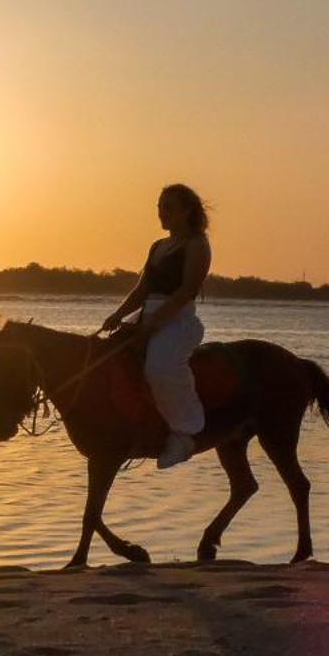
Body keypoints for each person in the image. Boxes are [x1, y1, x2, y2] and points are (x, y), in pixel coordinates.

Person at [100, 184, 212, 469]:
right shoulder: (158, 246)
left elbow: (187, 290)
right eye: (159, 207)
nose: (162, 214)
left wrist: (154, 323)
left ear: (186, 211)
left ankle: (184, 434)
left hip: (178, 320)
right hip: (148, 317)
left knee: (159, 368)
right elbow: (142, 289)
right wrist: (119, 314)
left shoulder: (197, 244)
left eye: (168, 208)